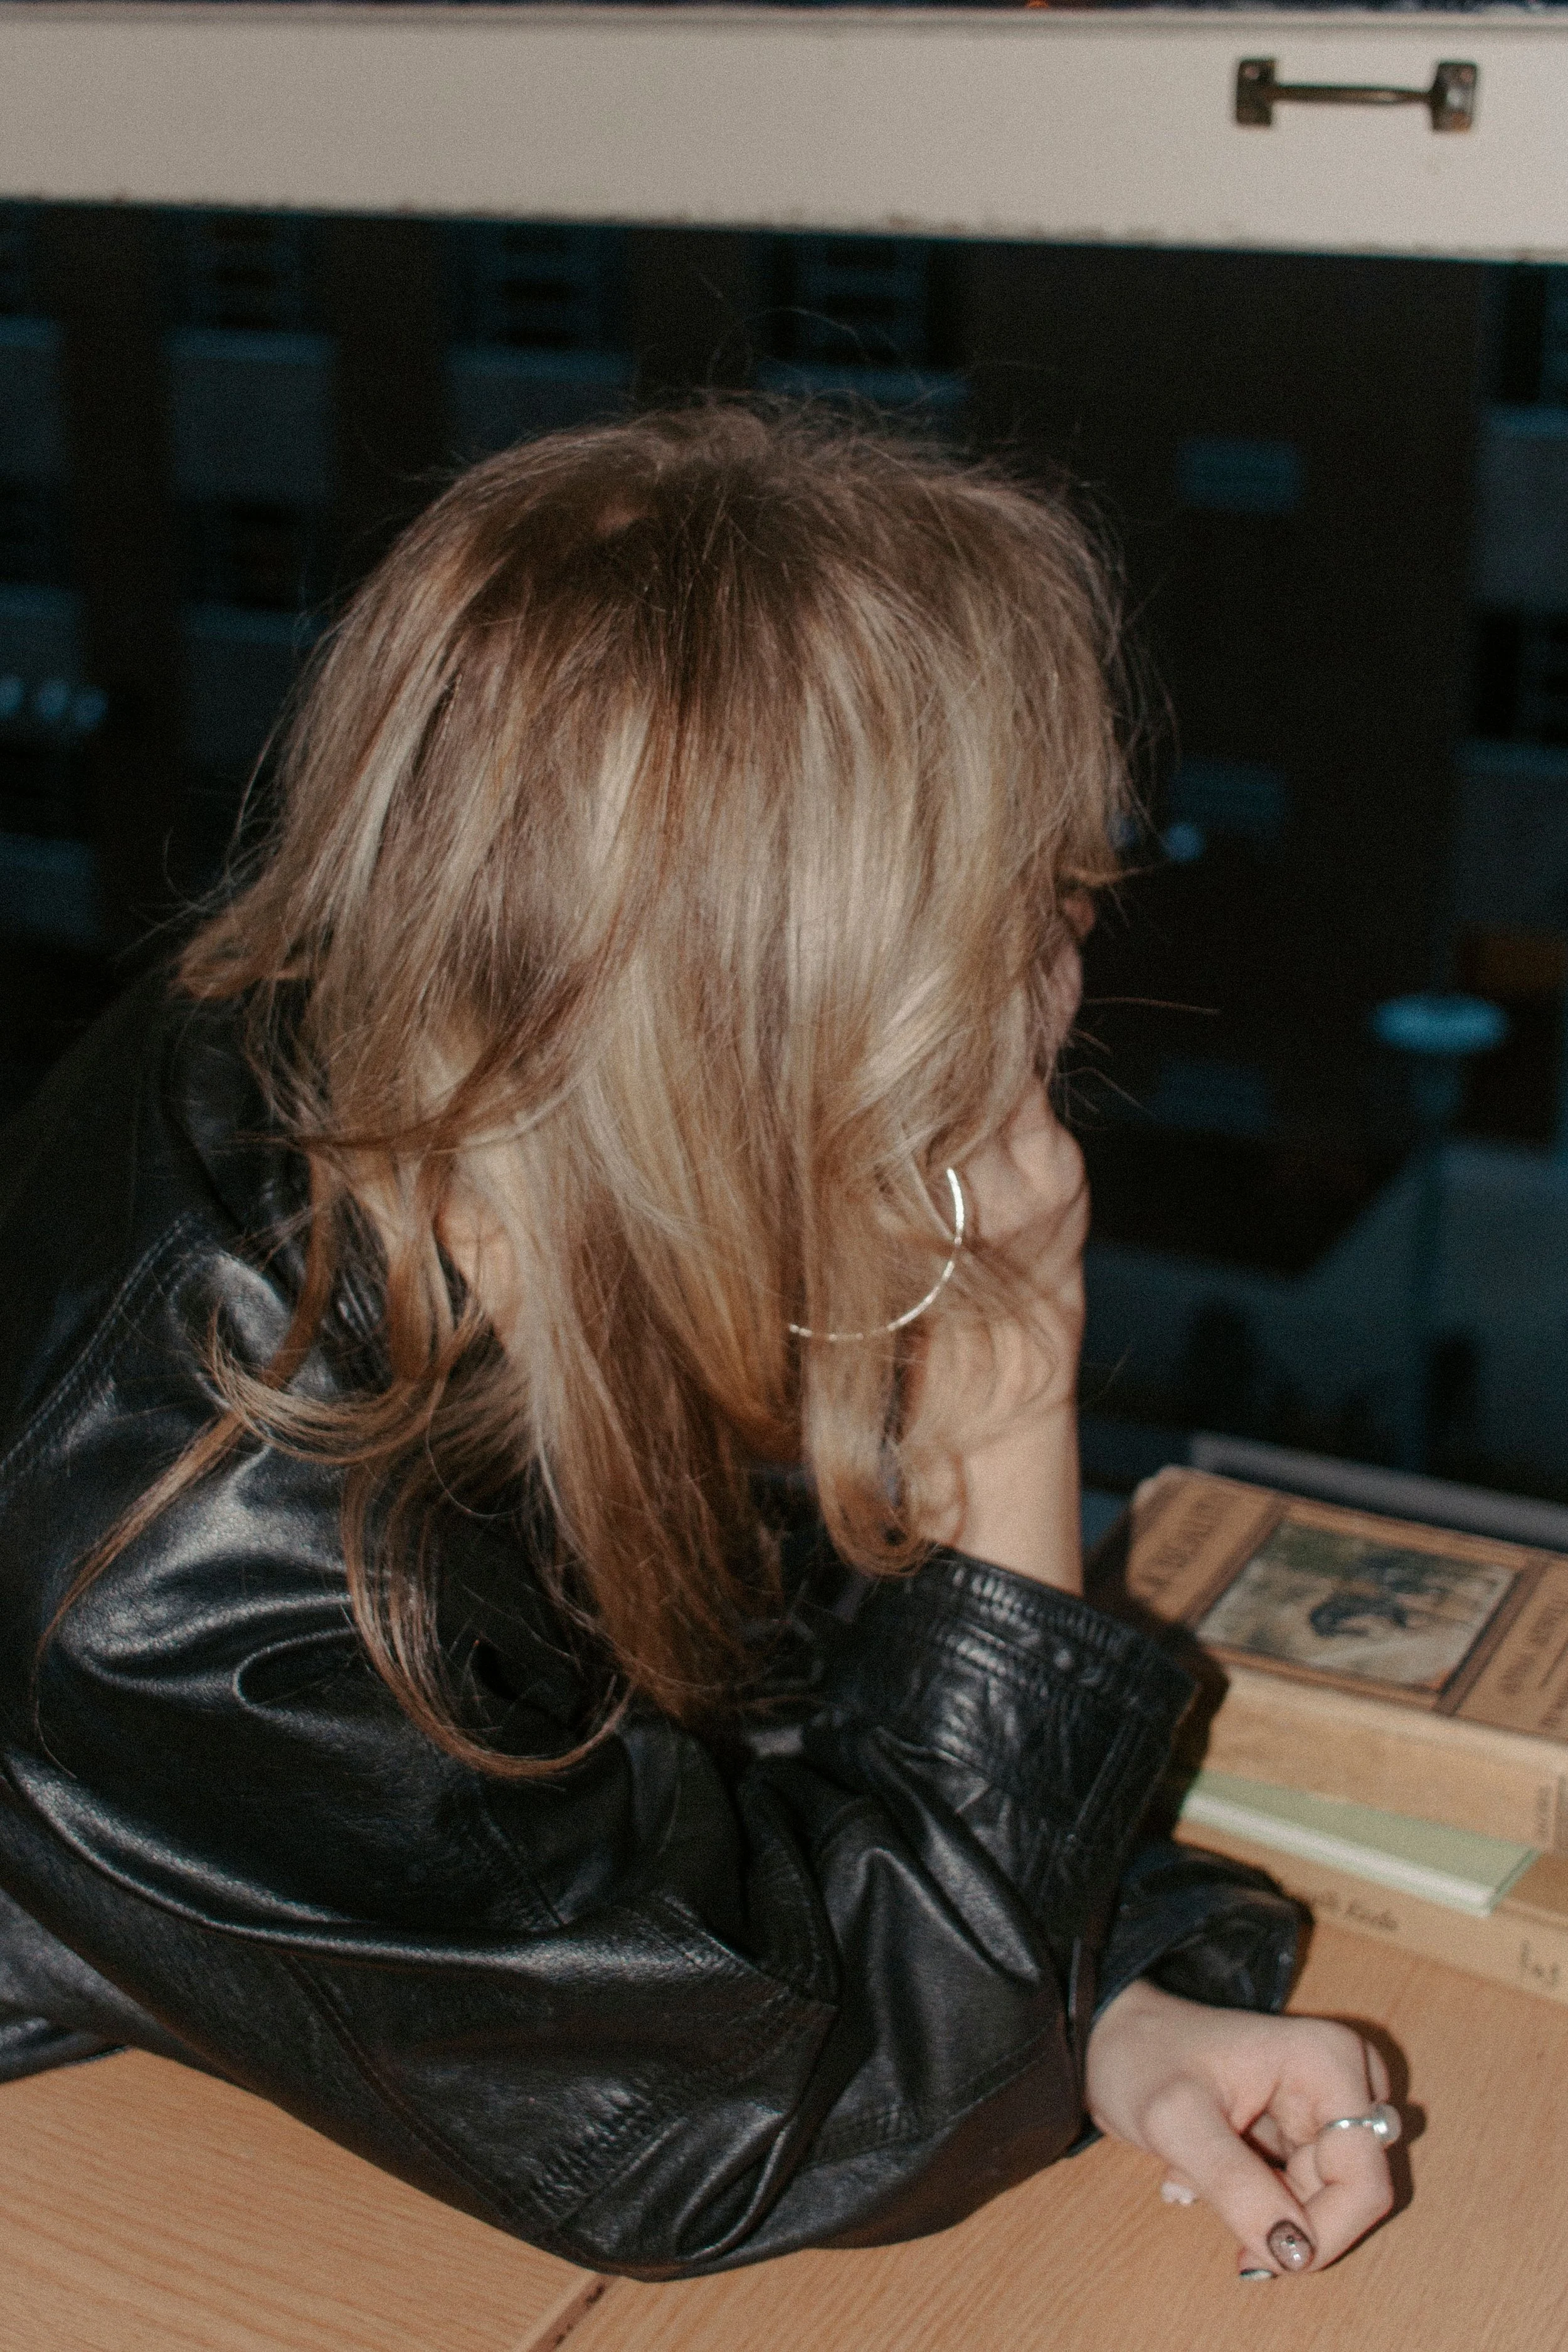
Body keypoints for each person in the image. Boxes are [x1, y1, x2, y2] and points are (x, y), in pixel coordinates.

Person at [0, 408, 1395, 2282]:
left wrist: (1109, 1988)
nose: (1071, 952)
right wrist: (1006, 1388)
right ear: (764, 1013)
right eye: (1024, 900)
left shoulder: (407, 1084)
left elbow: (684, 1766)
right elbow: (732, 2147)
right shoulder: (211, 1574)